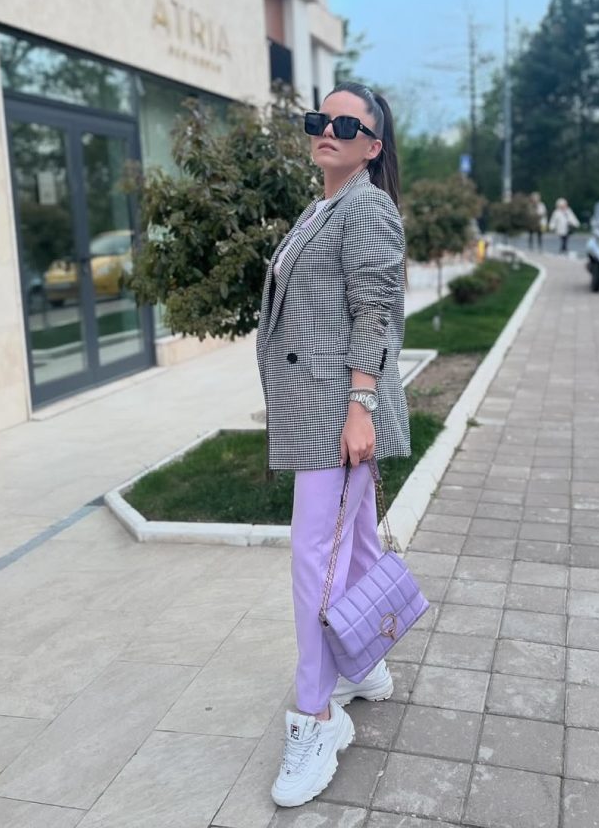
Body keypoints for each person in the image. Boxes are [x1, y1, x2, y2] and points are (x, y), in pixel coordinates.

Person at [256, 83, 411, 808]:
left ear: (372, 147)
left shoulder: (367, 206)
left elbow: (374, 312)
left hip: (336, 411)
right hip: (319, 405)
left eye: (346, 124)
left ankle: (316, 718)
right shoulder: (322, 205)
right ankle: (365, 663)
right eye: (320, 118)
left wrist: (360, 407)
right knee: (355, 546)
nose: (328, 129)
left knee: (314, 561)